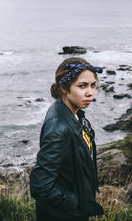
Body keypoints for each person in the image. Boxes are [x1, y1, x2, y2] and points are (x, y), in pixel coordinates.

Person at [30, 57, 104, 221]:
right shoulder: (59, 128)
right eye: (82, 86)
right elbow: (40, 185)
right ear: (64, 87)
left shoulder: (73, 113)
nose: (90, 92)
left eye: (93, 85)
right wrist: (75, 202)